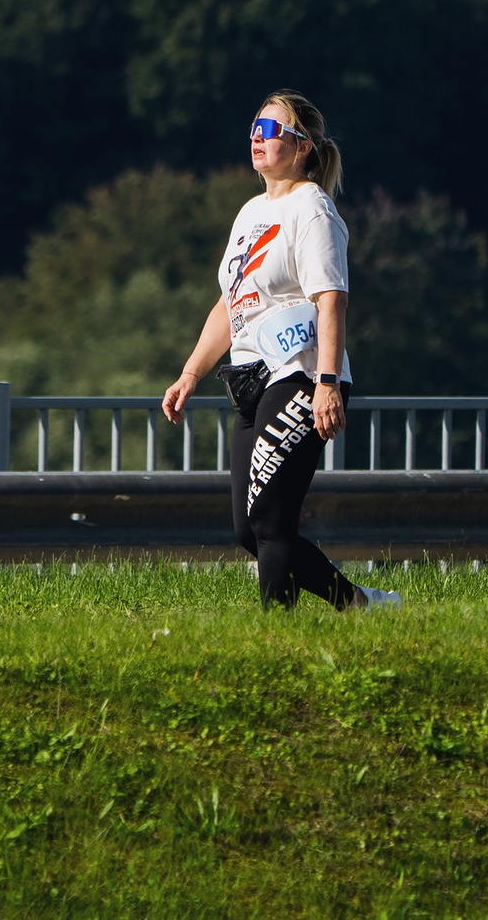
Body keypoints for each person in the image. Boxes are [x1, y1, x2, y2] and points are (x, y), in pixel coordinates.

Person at [161, 91, 398, 611]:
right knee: (250, 529)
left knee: (270, 518)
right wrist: (190, 374)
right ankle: (360, 604)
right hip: (249, 375)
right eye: (254, 128)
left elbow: (330, 297)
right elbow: (231, 304)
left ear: (302, 147)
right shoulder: (250, 213)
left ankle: (278, 632)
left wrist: (327, 383)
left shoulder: (312, 208)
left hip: (300, 374)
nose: (257, 139)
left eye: (270, 131)